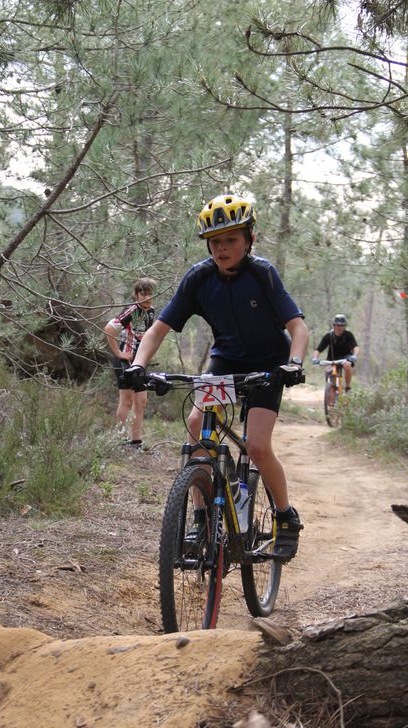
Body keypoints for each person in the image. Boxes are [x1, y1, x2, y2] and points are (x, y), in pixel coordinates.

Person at [124, 194, 309, 561]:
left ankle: (286, 518)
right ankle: (200, 519)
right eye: (215, 242)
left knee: (256, 446)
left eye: (231, 240)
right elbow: (159, 329)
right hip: (225, 363)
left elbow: (297, 326)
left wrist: (295, 362)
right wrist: (138, 364)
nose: (222, 248)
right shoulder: (198, 278)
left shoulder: (262, 273)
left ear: (249, 240)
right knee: (197, 430)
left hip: (270, 366)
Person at [105, 278, 156, 449]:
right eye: (143, 293)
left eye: (150, 293)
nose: (147, 297)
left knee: (141, 400)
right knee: (127, 400)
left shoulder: (151, 311)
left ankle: (136, 441)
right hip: (125, 360)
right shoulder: (132, 310)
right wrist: (118, 353)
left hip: (139, 361)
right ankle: (119, 439)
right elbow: (109, 328)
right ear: (136, 295)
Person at [312, 314, 359, 391]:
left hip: (346, 358)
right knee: (329, 371)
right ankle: (330, 392)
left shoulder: (348, 335)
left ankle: (347, 387)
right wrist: (315, 358)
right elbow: (318, 349)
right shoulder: (329, 336)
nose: (339, 327)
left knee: (347, 366)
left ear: (344, 326)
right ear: (334, 325)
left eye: (342, 325)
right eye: (337, 325)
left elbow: (355, 347)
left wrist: (354, 356)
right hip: (332, 359)